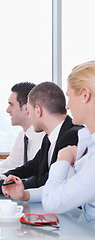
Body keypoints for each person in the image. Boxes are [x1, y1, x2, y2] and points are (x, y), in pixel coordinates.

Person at [0, 82, 82, 200]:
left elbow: (48, 181)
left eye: (30, 110)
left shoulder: (74, 136)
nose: (29, 117)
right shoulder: (50, 137)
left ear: (38, 110)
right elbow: (30, 168)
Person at [40, 61, 95, 216]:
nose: (67, 106)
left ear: (85, 95)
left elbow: (52, 202)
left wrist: (63, 158)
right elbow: (70, 189)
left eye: (69, 96)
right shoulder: (87, 144)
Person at [0, 82, 45, 176]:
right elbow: (12, 163)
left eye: (11, 105)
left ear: (27, 108)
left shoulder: (43, 138)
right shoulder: (23, 135)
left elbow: (30, 173)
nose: (7, 110)